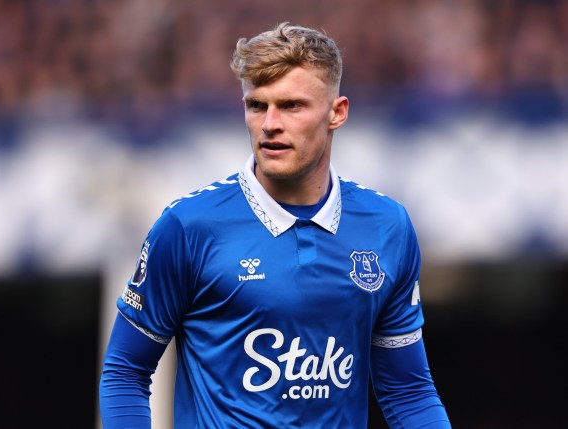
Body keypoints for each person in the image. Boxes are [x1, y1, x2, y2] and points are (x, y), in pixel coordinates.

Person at [99, 22, 451, 428]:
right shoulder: (188, 227)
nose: (269, 124)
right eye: (256, 105)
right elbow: (125, 371)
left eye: (291, 106)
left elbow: (408, 391)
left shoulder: (387, 228)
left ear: (337, 113)